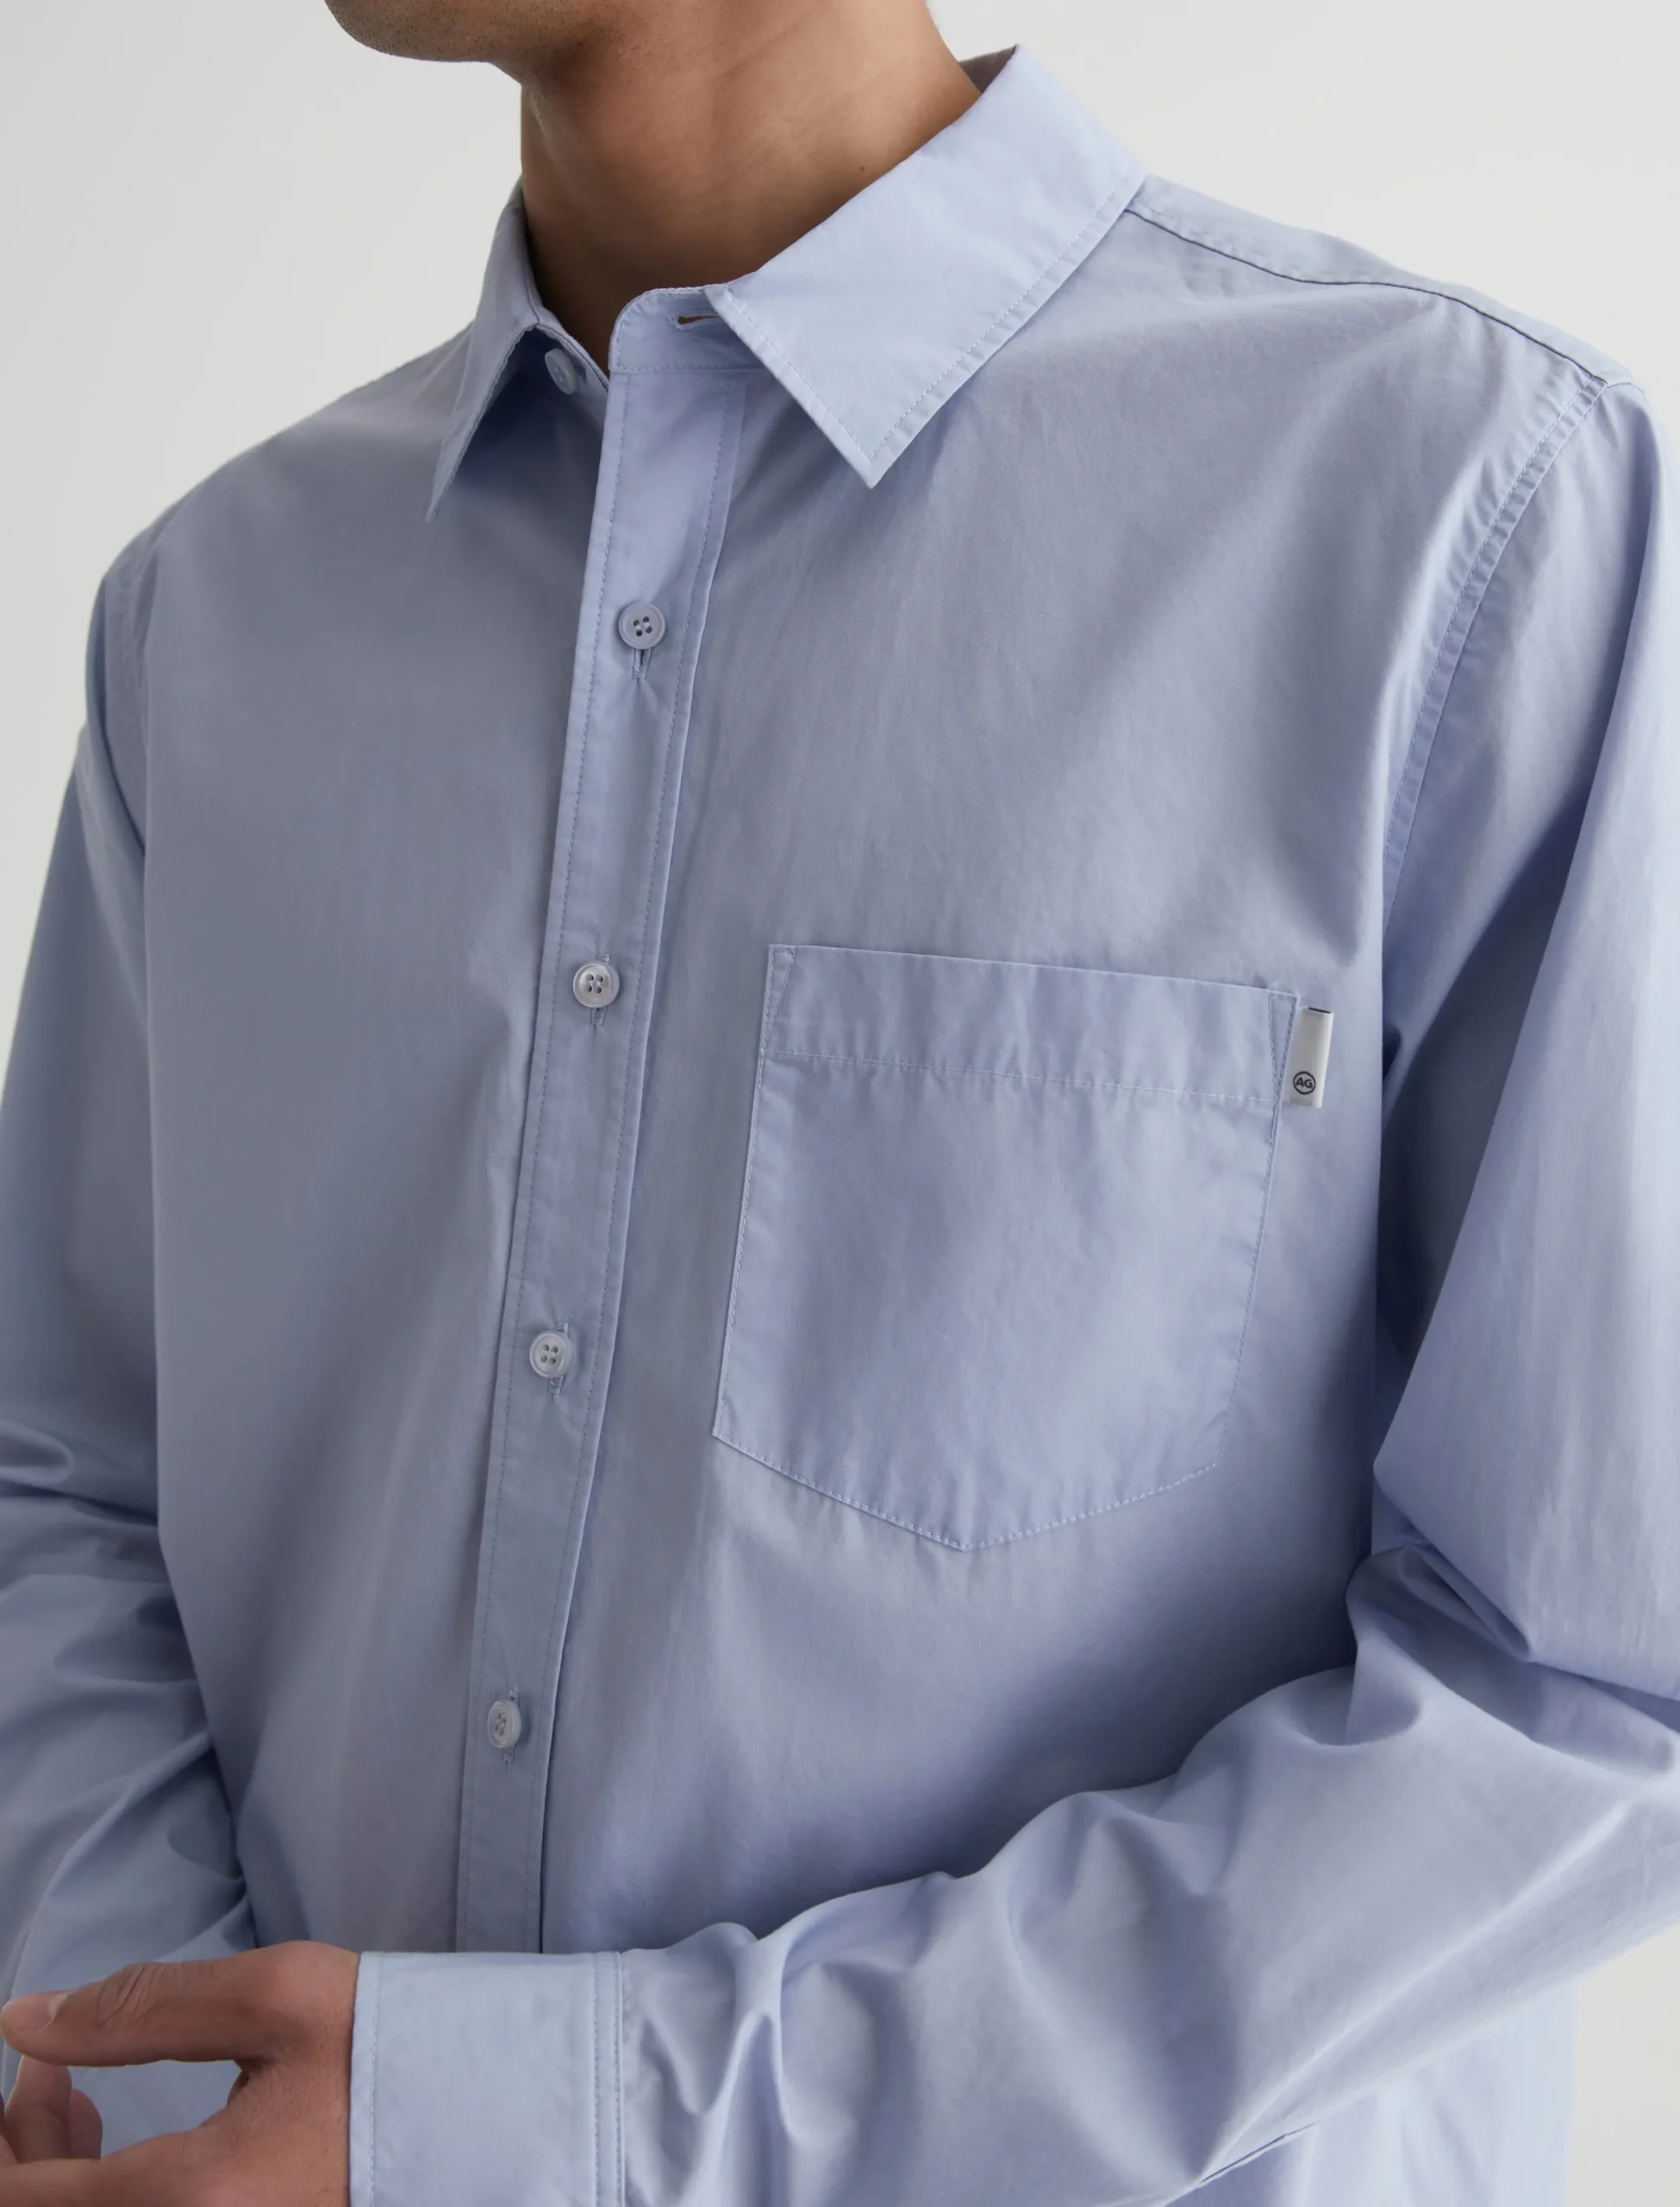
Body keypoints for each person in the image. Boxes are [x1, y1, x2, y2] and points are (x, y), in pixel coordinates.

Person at [1, 0, 1677, 2199]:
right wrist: (169, 2091)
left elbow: (1586, 1685)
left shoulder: (1466, 510)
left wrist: (546, 2127)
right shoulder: (215, 619)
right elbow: (62, 1485)